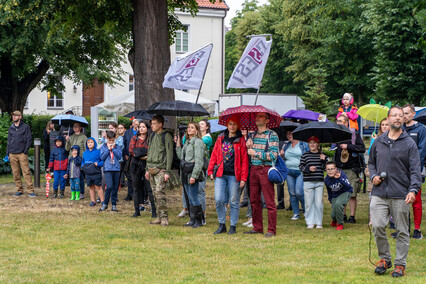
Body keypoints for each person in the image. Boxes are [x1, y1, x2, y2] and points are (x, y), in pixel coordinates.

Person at [368, 106, 422, 278]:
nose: (398, 118)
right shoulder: (379, 141)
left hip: (401, 193)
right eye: (394, 116)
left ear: (403, 120)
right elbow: (371, 163)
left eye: (401, 116)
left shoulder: (409, 143)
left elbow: (415, 169)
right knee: (377, 226)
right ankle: (385, 259)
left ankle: (400, 264)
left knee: (402, 230)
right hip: (379, 193)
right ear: (389, 119)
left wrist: (413, 190)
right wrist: (374, 176)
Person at [208, 118, 249, 234]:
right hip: (221, 174)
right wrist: (210, 170)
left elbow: (244, 161)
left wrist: (243, 178)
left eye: (234, 124)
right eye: (230, 124)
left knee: (234, 201)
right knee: (219, 199)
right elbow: (214, 155)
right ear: (227, 125)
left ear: (238, 126)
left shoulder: (240, 140)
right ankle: (222, 224)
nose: (232, 126)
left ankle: (233, 226)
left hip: (234, 175)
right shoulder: (221, 138)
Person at [244, 113, 279, 237]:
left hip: (265, 168)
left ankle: (271, 230)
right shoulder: (252, 135)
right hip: (253, 169)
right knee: (254, 200)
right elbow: (248, 153)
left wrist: (256, 152)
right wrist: (247, 145)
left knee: (269, 201)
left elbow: (274, 155)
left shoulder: (272, 135)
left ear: (267, 120)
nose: (257, 118)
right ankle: (257, 227)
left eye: (261, 116)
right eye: (256, 116)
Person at [178, 119, 212, 224]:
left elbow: (199, 161)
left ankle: (200, 220)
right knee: (189, 197)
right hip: (185, 172)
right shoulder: (188, 142)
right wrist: (178, 145)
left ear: (197, 130)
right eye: (188, 127)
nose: (189, 129)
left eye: (192, 127)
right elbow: (181, 157)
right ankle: (192, 219)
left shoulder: (198, 142)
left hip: (192, 172)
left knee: (194, 197)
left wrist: (194, 176)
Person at [334, 114, 366, 223]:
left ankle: (352, 217)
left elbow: (362, 148)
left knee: (352, 194)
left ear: (346, 123)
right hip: (339, 168)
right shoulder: (336, 135)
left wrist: (348, 146)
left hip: (352, 168)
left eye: (341, 121)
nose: (338, 123)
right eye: (337, 121)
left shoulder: (353, 134)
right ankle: (343, 215)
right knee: (341, 193)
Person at [145, 115, 174, 226]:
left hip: (161, 169)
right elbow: (150, 152)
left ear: (160, 124)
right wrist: (147, 168)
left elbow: (169, 154)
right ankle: (158, 216)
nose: (152, 125)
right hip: (151, 168)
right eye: (151, 123)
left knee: (159, 193)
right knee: (154, 194)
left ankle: (164, 217)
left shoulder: (166, 136)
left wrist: (167, 171)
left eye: (154, 123)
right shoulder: (152, 136)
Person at [402, 104, 425, 240]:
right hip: (400, 170)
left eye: (407, 113)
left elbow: (422, 151)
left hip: (415, 170)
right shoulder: (400, 129)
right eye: (402, 113)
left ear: (413, 114)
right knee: (401, 200)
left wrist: (415, 168)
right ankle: (403, 228)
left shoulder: (421, 129)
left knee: (415, 200)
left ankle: (417, 229)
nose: (404, 116)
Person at [129, 121, 157, 218]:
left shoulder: (150, 138)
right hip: (135, 165)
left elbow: (151, 150)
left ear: (147, 128)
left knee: (149, 188)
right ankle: (137, 211)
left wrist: (144, 155)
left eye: (143, 127)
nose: (141, 128)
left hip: (147, 165)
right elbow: (131, 150)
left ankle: (154, 210)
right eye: (140, 127)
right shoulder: (134, 138)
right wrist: (141, 155)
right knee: (136, 188)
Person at [281, 130, 309, 220]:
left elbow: (308, 155)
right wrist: (281, 155)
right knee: (292, 193)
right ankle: (296, 213)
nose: (289, 135)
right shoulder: (286, 145)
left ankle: (306, 210)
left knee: (299, 192)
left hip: (300, 171)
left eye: (291, 133)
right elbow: (284, 158)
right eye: (287, 133)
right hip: (289, 172)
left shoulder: (303, 144)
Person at [299, 136, 326, 229]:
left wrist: (323, 160)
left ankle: (319, 222)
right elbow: (301, 167)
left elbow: (325, 168)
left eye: (314, 143)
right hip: (308, 181)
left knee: (318, 203)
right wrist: (308, 169)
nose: (312, 145)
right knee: (309, 202)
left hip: (319, 181)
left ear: (318, 144)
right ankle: (310, 221)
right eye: (310, 143)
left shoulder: (321, 155)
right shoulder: (305, 155)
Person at [6, 111, 35, 197]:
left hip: (22, 153)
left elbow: (29, 139)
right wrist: (8, 153)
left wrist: (25, 151)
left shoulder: (26, 127)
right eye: (13, 115)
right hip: (12, 153)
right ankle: (19, 190)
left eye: (16, 115)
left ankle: (30, 191)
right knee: (15, 173)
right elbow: (9, 141)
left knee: (26, 172)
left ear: (20, 117)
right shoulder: (11, 127)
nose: (14, 117)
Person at [324, 161, 353, 230]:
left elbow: (348, 185)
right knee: (333, 215)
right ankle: (335, 220)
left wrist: (339, 178)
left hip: (345, 192)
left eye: (332, 169)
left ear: (336, 169)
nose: (330, 171)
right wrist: (330, 200)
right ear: (326, 170)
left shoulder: (341, 174)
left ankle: (340, 224)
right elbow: (329, 191)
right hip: (335, 195)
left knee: (338, 204)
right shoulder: (326, 180)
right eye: (328, 169)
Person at [99, 131, 122, 212]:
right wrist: (108, 150)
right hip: (108, 169)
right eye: (110, 140)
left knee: (115, 187)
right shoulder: (104, 147)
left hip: (116, 169)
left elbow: (119, 157)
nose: (111, 142)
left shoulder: (117, 147)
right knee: (109, 186)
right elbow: (102, 157)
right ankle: (105, 203)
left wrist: (113, 149)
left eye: (113, 140)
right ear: (107, 139)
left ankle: (114, 205)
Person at [65, 122, 87, 199]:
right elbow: (67, 149)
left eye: (76, 126)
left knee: (80, 176)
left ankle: (81, 192)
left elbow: (86, 149)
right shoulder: (71, 137)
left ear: (80, 127)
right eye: (73, 126)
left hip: (79, 160)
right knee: (72, 176)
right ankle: (73, 192)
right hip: (71, 160)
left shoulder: (84, 137)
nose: (74, 128)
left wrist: (84, 159)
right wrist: (67, 141)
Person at [82, 137, 104, 207]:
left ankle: (102, 201)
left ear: (94, 143)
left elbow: (102, 161)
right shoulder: (85, 153)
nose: (90, 143)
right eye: (88, 142)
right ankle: (93, 201)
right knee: (91, 187)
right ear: (86, 144)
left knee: (98, 187)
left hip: (96, 172)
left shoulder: (98, 151)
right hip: (88, 173)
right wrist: (83, 166)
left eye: (91, 142)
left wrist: (98, 164)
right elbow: (83, 162)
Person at [123, 119, 140, 201]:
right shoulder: (128, 132)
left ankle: (138, 194)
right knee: (129, 176)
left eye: (138, 124)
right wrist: (126, 154)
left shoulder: (140, 133)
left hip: (137, 157)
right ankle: (130, 194)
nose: (136, 126)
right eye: (135, 124)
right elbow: (125, 143)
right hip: (128, 156)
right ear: (133, 124)